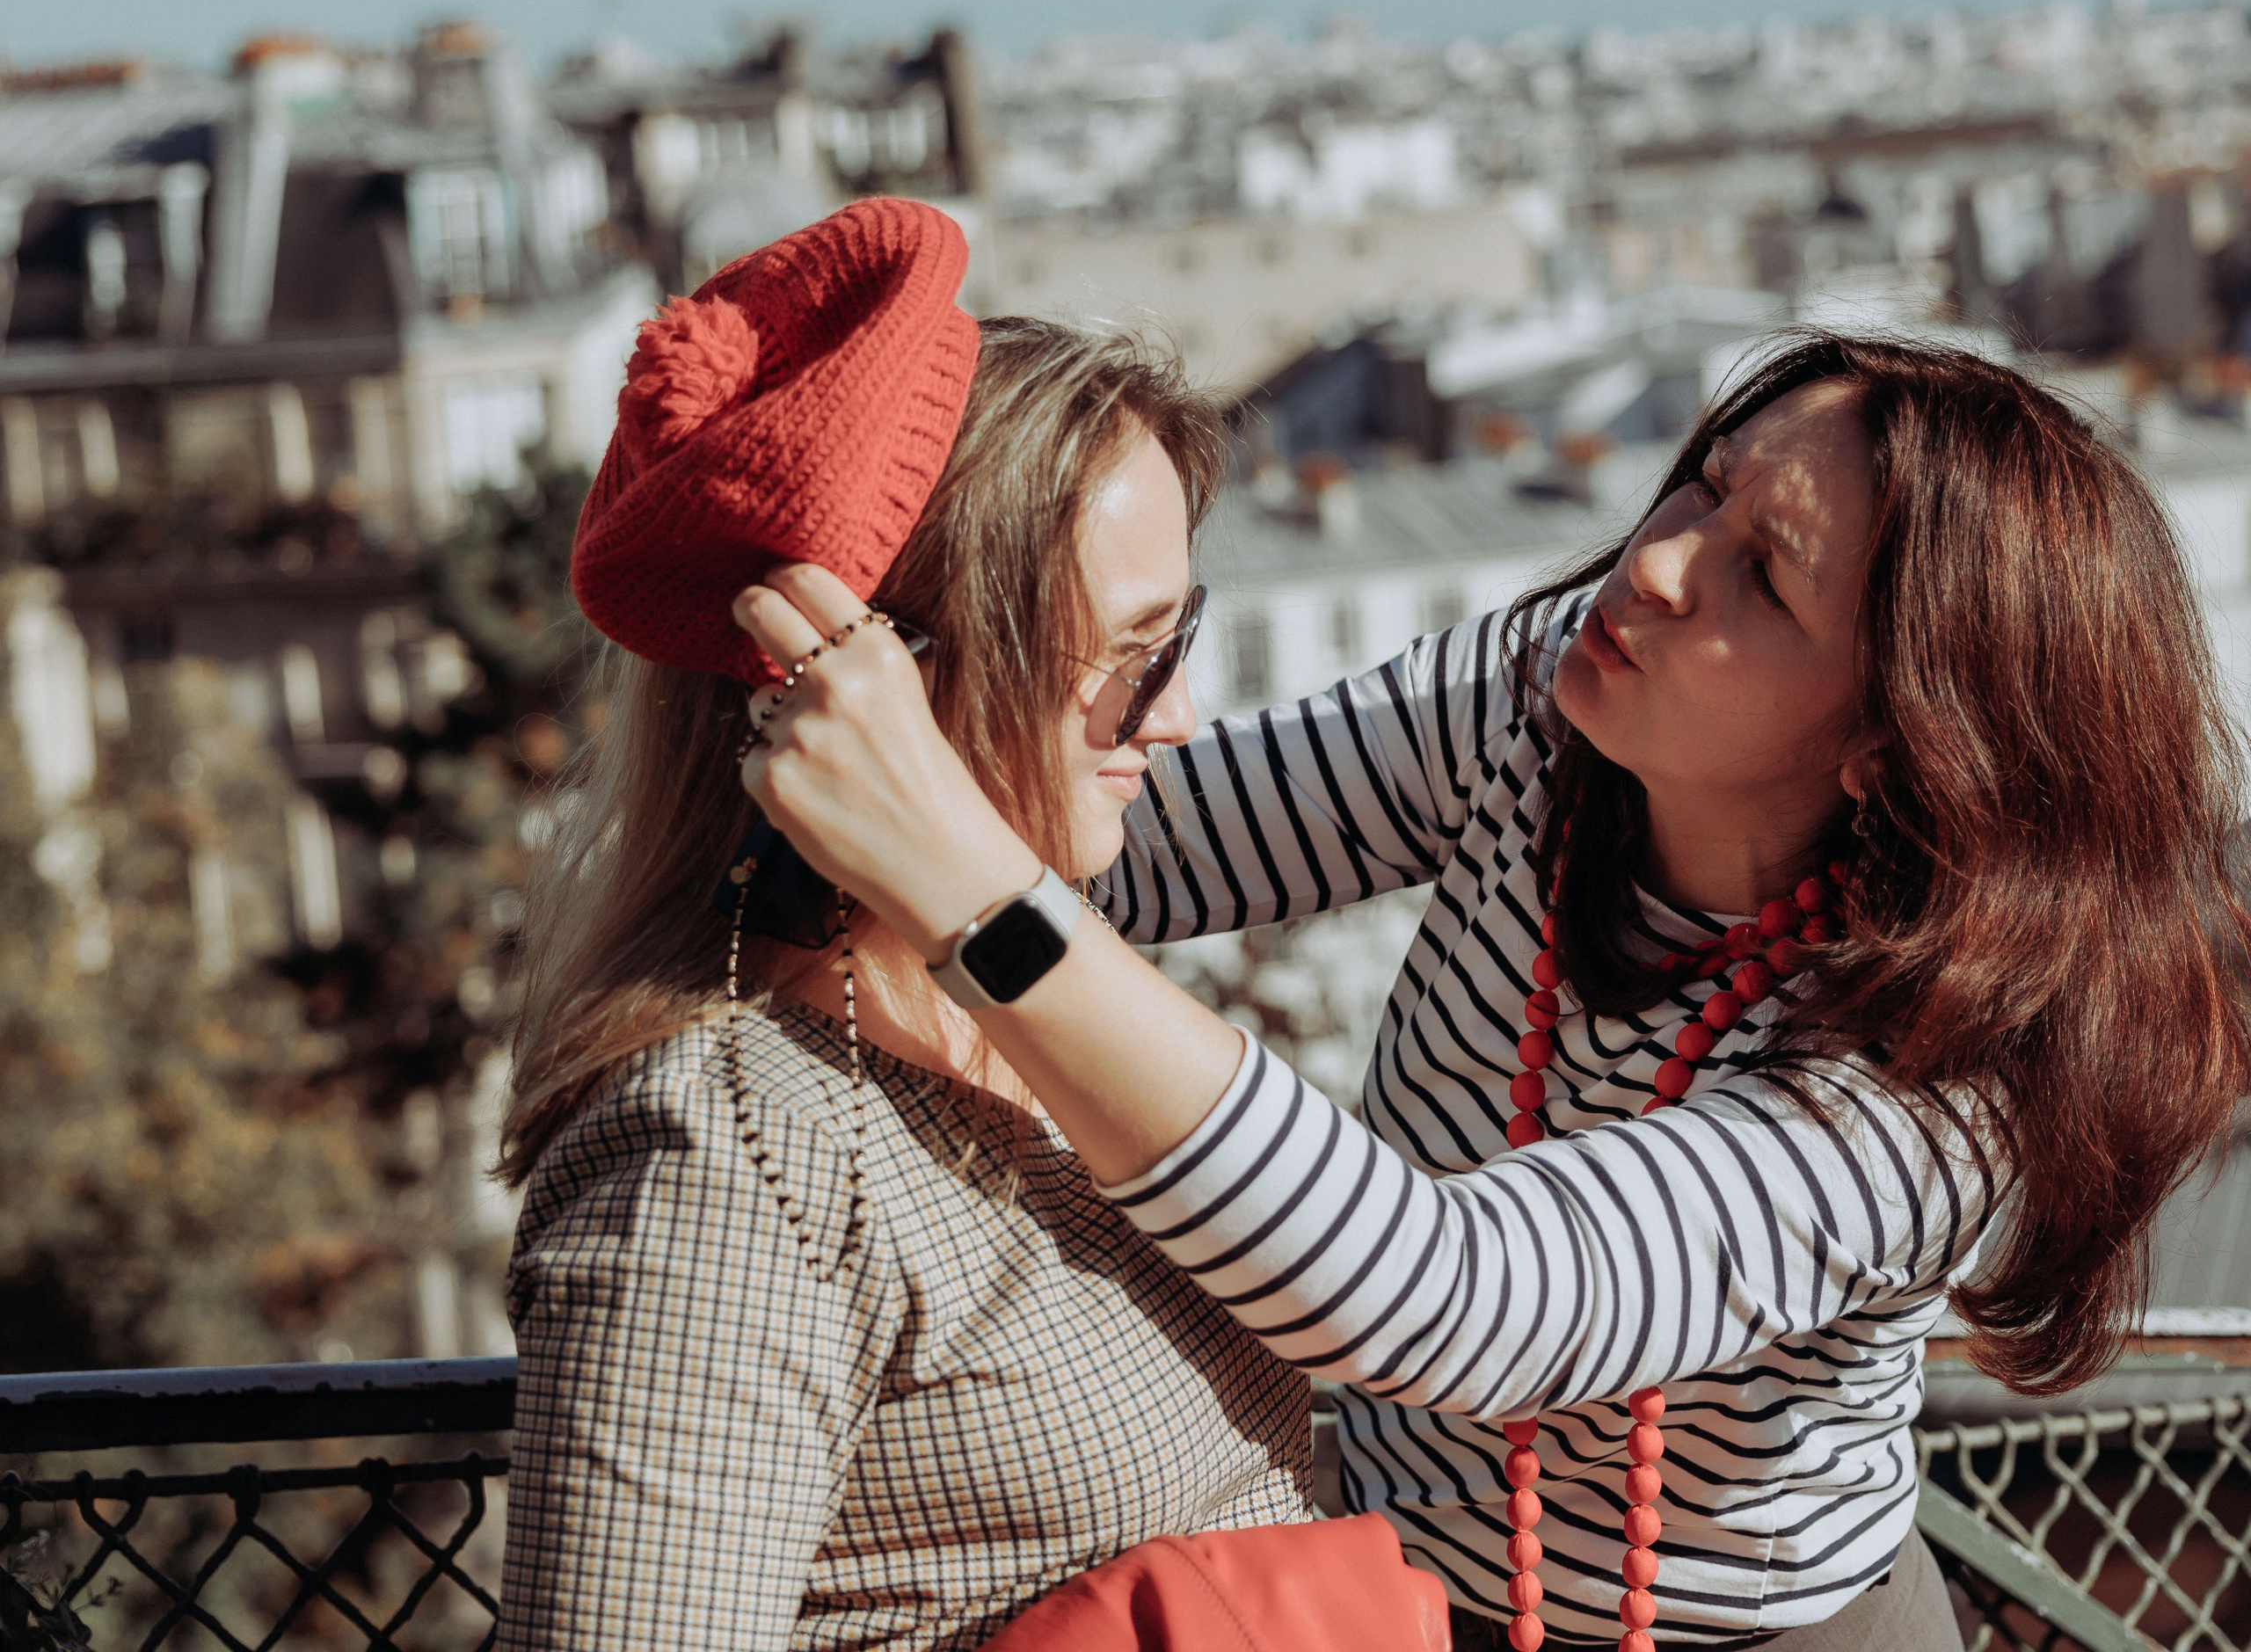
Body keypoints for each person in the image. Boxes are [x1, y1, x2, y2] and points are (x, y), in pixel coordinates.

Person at [735, 330, 2251, 1650]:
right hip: (1399, 1596)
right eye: (1706, 485)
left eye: (1762, 582)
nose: (1654, 561)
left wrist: (970, 898)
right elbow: (1142, 843)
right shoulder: (1552, 697)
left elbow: (1459, 1301)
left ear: (1894, 744)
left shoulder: (1937, 1081)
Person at [494, 200, 1322, 1652]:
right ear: (868, 681)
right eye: (1133, 659)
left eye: (1178, 643)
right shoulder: (728, 1159)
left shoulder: (1034, 1009)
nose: (1177, 718)